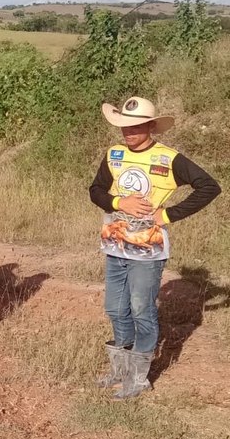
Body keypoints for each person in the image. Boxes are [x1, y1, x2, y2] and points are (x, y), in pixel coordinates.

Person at [90, 96, 221, 399]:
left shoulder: (168, 159)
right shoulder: (114, 154)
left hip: (147, 251)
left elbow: (209, 186)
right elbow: (95, 191)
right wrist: (117, 202)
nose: (128, 132)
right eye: (124, 126)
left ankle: (139, 379)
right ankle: (119, 371)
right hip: (115, 244)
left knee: (141, 310)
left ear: (150, 126)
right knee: (115, 309)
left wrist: (166, 215)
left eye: (135, 127)